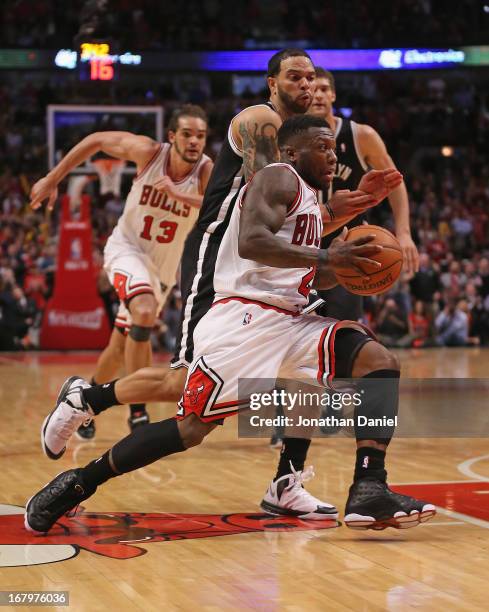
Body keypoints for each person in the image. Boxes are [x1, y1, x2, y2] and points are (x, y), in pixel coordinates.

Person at [35, 48, 401, 517]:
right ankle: (88, 398)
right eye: (295, 77)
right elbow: (260, 224)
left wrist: (342, 213)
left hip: (263, 279)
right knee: (185, 382)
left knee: (304, 381)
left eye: (312, 78)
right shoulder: (259, 123)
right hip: (221, 268)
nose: (307, 86)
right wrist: (330, 240)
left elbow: (289, 226)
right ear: (272, 83)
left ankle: (289, 482)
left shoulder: (299, 155)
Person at [29, 105, 213, 441]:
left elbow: (220, 205)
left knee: (120, 346)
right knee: (142, 312)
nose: (194, 141)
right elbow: (97, 140)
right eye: (187, 134)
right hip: (127, 250)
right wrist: (53, 178)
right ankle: (138, 413)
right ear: (172, 136)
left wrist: (178, 196)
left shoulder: (205, 172)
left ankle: (83, 401)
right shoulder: (148, 152)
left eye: (200, 136)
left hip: (161, 272)